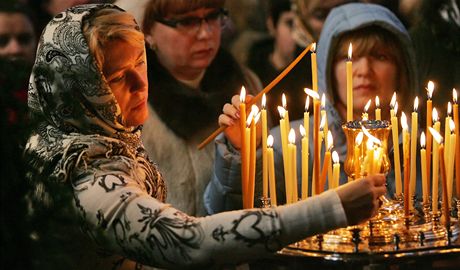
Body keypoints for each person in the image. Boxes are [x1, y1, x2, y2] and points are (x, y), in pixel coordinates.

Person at [25, 4, 386, 269]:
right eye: (118, 77)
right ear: (77, 87)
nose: (140, 85)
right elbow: (188, 242)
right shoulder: (78, 174)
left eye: (139, 65)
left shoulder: (113, 141)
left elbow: (237, 204)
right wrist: (334, 207)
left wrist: (235, 153)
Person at [205, 3, 418, 213]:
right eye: (347, 58)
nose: (364, 70)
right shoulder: (287, 147)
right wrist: (243, 156)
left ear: (402, 69)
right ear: (327, 68)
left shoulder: (422, 150)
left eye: (380, 56)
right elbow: (230, 220)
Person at [140, 0, 262, 217]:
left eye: (213, 16)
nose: (205, 34)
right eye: (187, 21)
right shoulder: (132, 99)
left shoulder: (245, 84)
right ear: (148, 30)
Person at [247, 0, 311, 121]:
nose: (298, 33)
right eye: (290, 23)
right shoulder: (254, 72)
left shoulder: (312, 69)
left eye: (302, 25)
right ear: (272, 25)